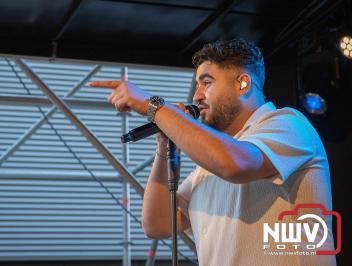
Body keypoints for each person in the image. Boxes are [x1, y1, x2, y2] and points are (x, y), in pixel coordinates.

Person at [89, 39, 336, 266]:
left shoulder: (288, 124)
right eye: (197, 85)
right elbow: (157, 224)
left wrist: (152, 107)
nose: (196, 96)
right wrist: (164, 147)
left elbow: (235, 164)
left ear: (243, 83)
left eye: (206, 83)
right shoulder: (208, 167)